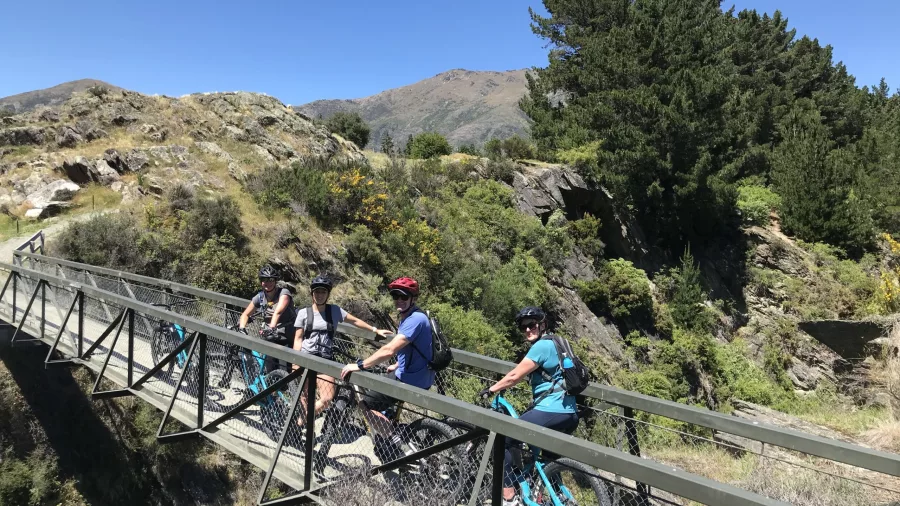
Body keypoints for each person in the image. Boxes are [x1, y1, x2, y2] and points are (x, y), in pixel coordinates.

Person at [477, 306, 580, 506]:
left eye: (531, 325)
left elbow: (515, 376)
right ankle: (560, 497)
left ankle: (508, 498)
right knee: (549, 460)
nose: (527, 330)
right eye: (523, 327)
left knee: (504, 438)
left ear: (543, 325)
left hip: (551, 410)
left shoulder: (541, 347)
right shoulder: (559, 342)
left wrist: (491, 389)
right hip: (570, 413)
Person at [340, 276, 434, 457]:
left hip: (409, 381)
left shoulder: (414, 319)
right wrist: (399, 364)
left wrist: (359, 365)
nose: (399, 300)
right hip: (419, 375)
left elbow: (389, 349)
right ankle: (392, 433)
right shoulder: (414, 316)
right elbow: (416, 347)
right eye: (395, 296)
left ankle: (396, 441)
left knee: (365, 403)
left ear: (413, 298)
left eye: (404, 297)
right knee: (381, 384)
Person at [293, 275, 388, 425]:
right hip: (306, 358)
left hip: (325, 360)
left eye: (323, 292)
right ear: (312, 293)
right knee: (304, 396)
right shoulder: (303, 313)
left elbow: (355, 320)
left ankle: (299, 422)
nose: (319, 295)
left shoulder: (335, 311)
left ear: (328, 294)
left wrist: (375, 329)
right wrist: (295, 360)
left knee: (327, 399)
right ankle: (301, 427)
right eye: (317, 292)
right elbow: (298, 338)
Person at [238, 265, 298, 347]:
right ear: (261, 282)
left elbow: (278, 312)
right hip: (269, 336)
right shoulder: (260, 297)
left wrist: (271, 328)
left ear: (275, 281)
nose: (268, 283)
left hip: (286, 335)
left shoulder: (284, 293)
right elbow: (245, 314)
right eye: (264, 280)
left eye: (271, 280)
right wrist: (242, 328)